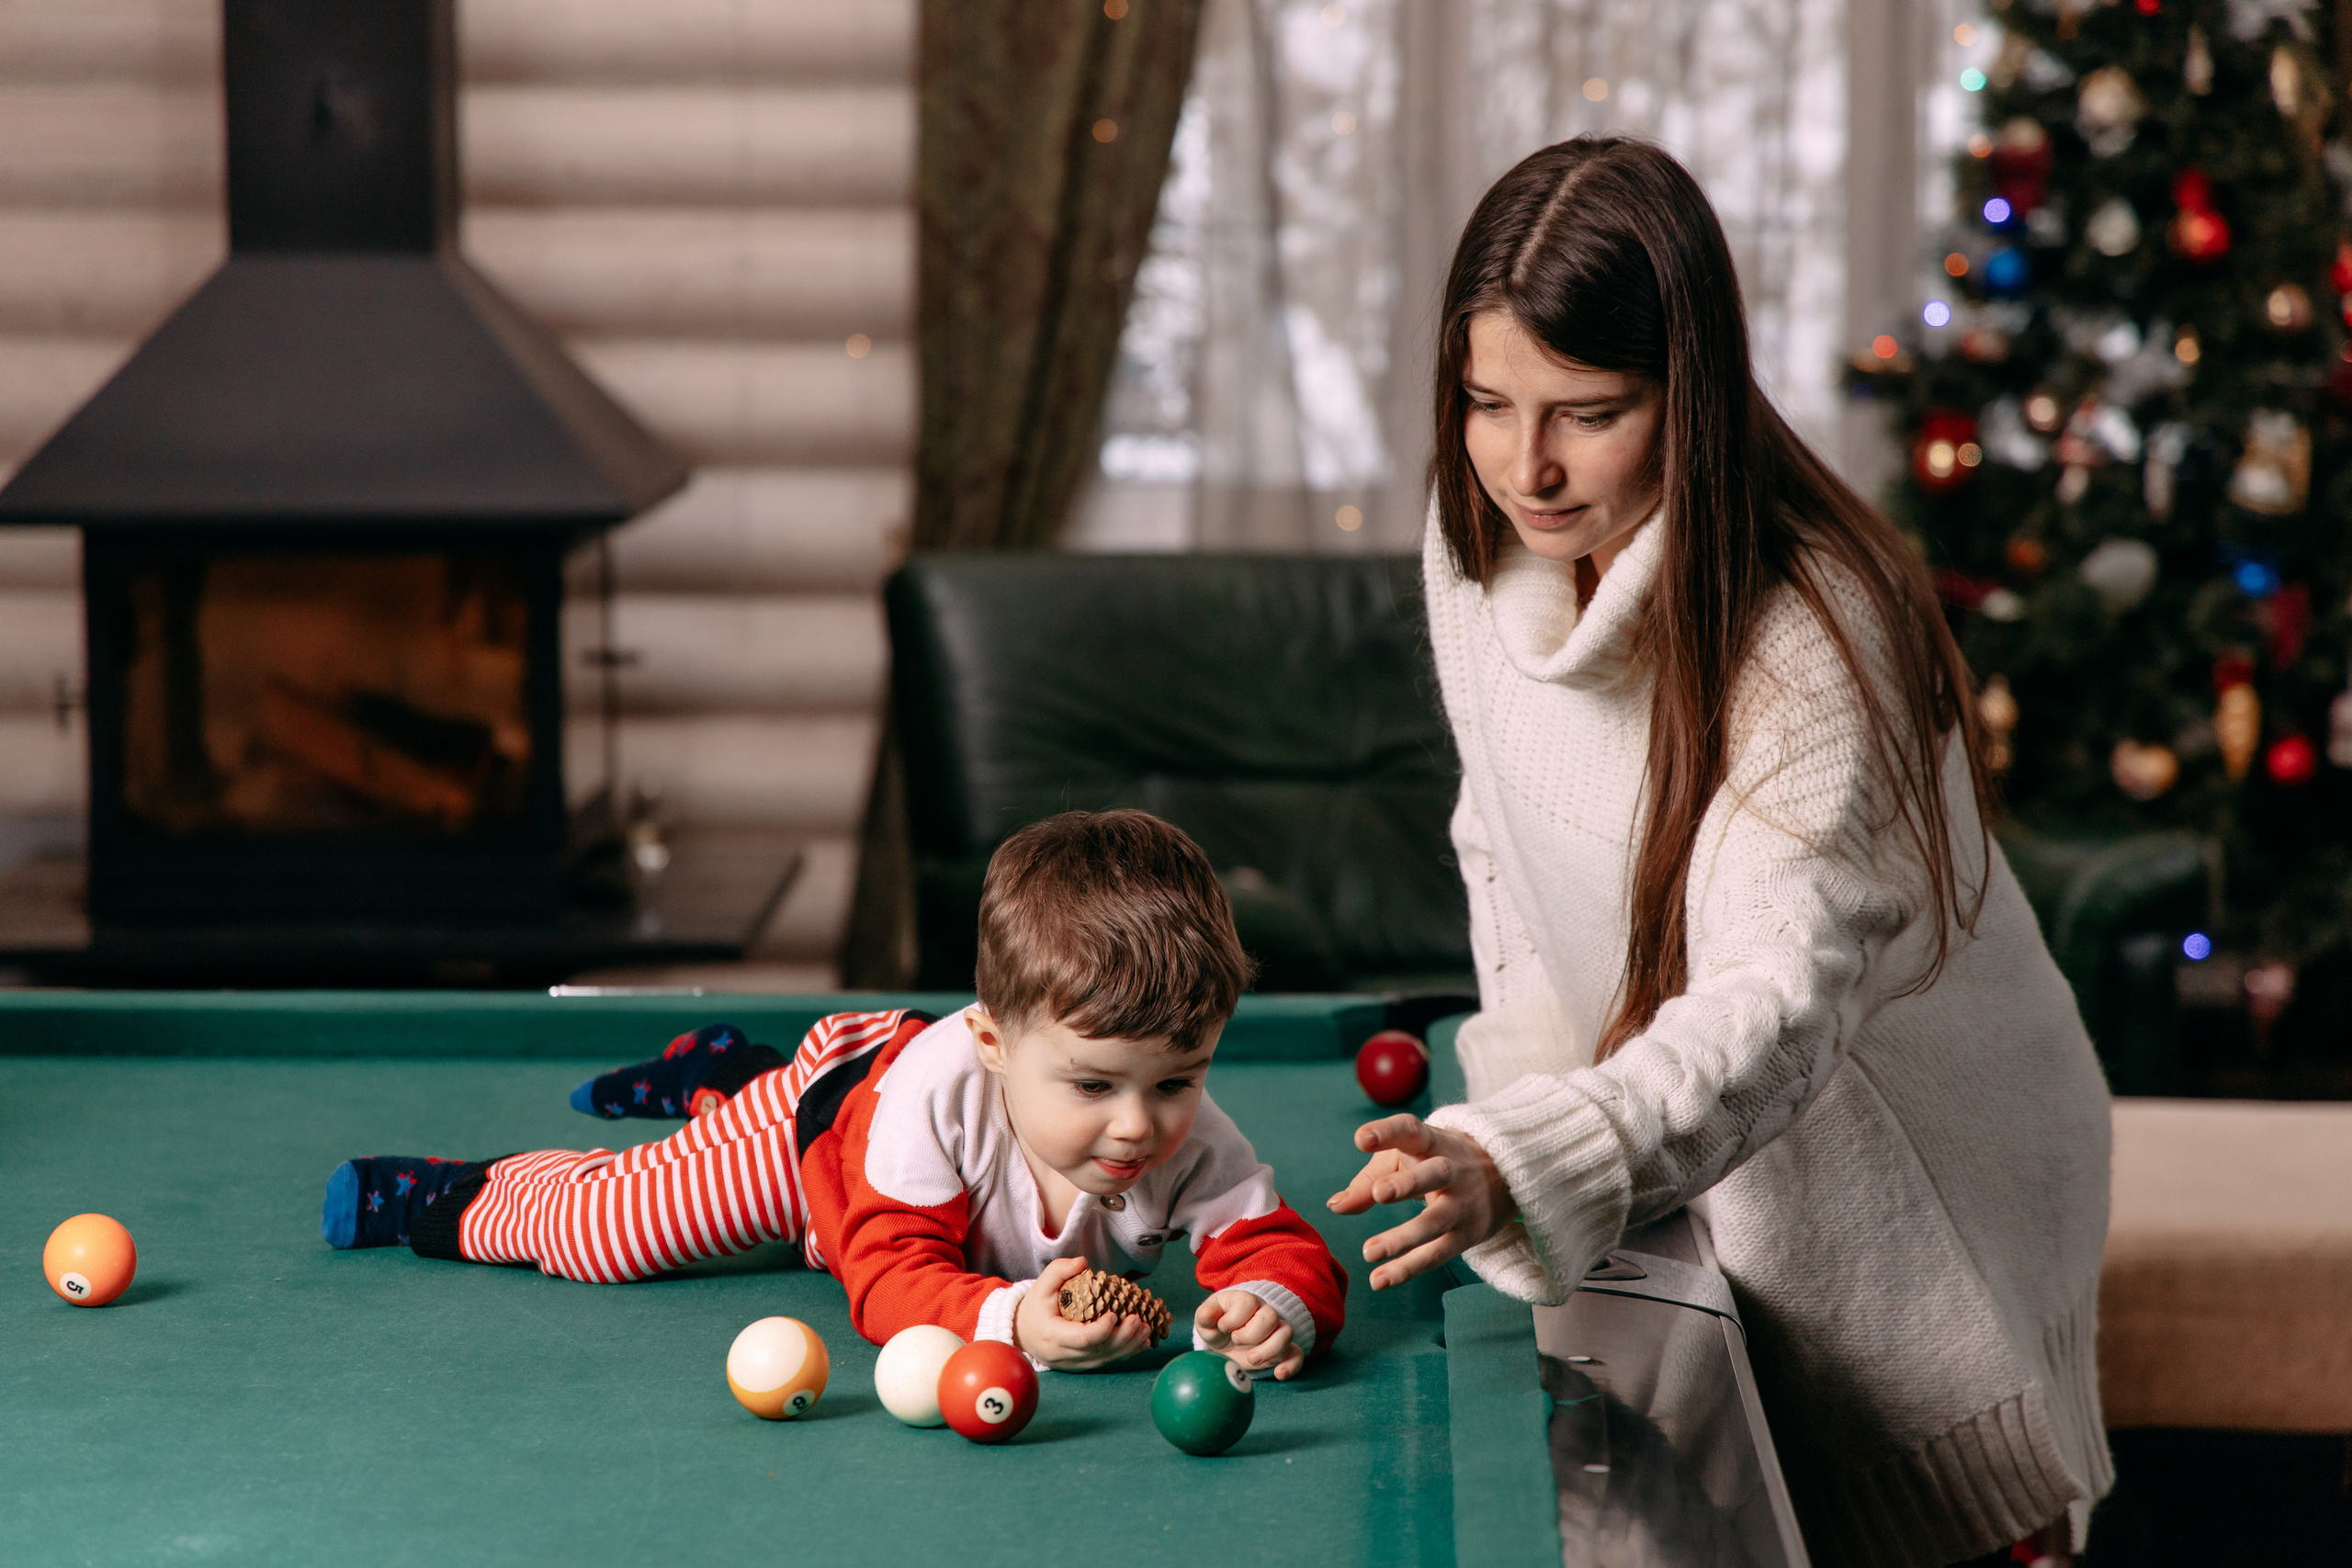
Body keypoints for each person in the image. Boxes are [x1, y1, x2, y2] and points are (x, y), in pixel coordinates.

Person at [1327, 138, 2109, 1568]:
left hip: (1925, 1171)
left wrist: (1532, 1157)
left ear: (1691, 394)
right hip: (1710, 1134)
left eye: (1590, 411)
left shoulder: (1812, 631)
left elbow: (1772, 1004)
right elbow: (1495, 837)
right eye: (1486, 401)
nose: (1526, 464)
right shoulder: (1475, 536)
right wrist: (1522, 1109)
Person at [324, 809, 1346, 1378]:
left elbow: (1281, 1249)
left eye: (1177, 1079)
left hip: (866, 1119)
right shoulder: (936, 1098)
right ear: (991, 1041)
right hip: (828, 1127)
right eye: (1091, 1084)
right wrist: (1011, 1325)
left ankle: (719, 1071)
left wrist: (1275, 1306)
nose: (1139, 1125)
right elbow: (886, 1279)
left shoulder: (1190, 1141)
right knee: (619, 1234)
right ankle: (454, 1196)